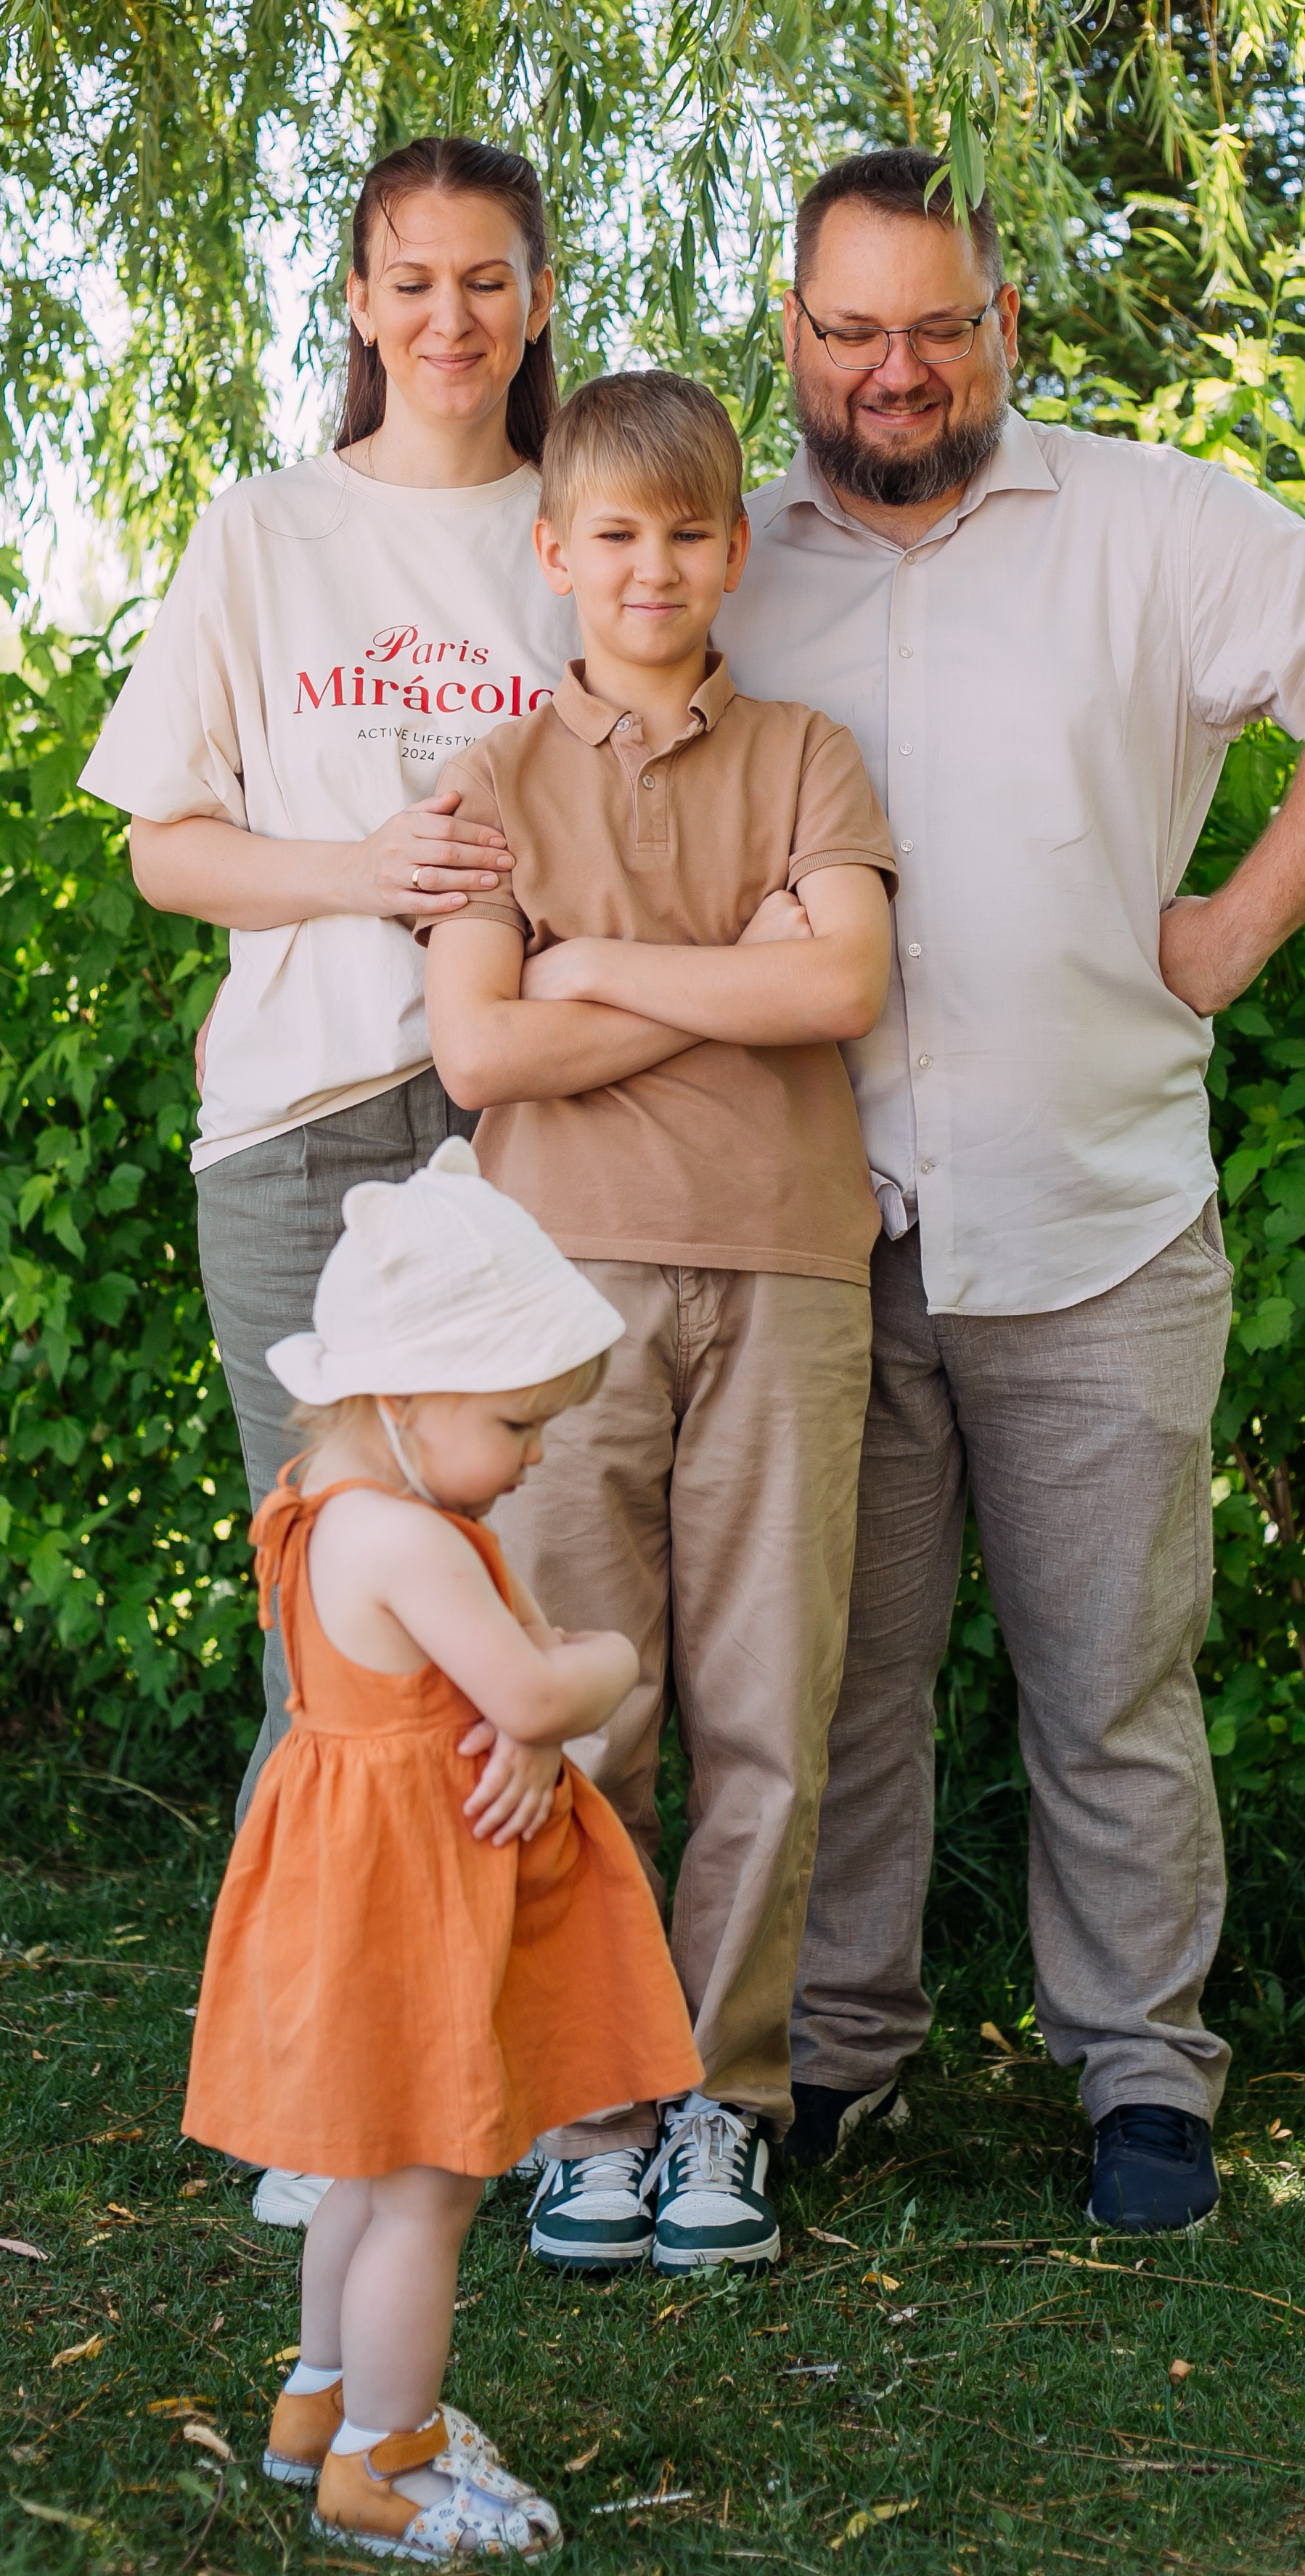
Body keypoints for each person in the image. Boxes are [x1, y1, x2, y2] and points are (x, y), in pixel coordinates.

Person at [711, 147, 1305, 2225]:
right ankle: (830, 2061)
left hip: (1098, 1211)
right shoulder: (729, 560)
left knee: (1110, 1676)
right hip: (815, 1226)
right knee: (828, 1685)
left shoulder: (1148, 521)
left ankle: (1142, 2076)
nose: (892, 369)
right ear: (788, 332)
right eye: (850, 329)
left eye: (934, 328)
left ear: (1003, 329)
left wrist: (1224, 931)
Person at [421, 369, 895, 2273]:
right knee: (574, 1716)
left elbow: (841, 983)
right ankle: (587, 2106)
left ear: (731, 548)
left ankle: (724, 2098)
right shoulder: (488, 783)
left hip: (786, 1271)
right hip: (554, 1292)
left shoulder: (806, 755)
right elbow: (479, 1044)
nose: (649, 566)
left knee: (765, 1709)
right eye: (611, 535)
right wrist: (731, 976)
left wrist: (598, 960)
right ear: (552, 555)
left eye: (685, 531)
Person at [81, 134, 579, 1838]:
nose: (450, 316)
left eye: (485, 280)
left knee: (528, 1608)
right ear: (362, 304)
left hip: (534, 1116)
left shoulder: (588, 527)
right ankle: (314, 2077)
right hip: (302, 1128)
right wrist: (358, 876)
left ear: (533, 301)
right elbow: (166, 847)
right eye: (414, 281)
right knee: (340, 1631)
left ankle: (531, 2070)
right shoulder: (265, 531)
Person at [182, 1139, 702, 2560]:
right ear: (407, 1396)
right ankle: (383, 2463)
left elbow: (493, 1680)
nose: (536, 1456)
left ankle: (317, 2405)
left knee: (366, 2163)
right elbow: (536, 1678)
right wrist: (599, 1671)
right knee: (429, 2181)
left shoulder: (336, 1506)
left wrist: (530, 1707)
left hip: (365, 1881)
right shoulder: (404, 1539)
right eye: (520, 1424)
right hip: (406, 1895)